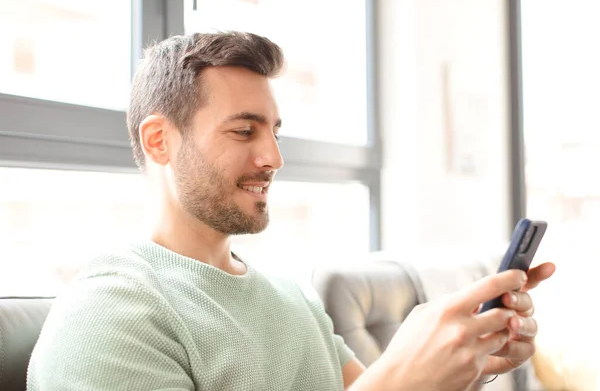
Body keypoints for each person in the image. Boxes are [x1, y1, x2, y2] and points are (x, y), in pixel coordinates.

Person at [26, 31, 555, 391]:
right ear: (160, 140)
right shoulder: (109, 315)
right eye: (243, 130)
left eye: (274, 132)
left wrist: (462, 367)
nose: (274, 159)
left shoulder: (288, 293)